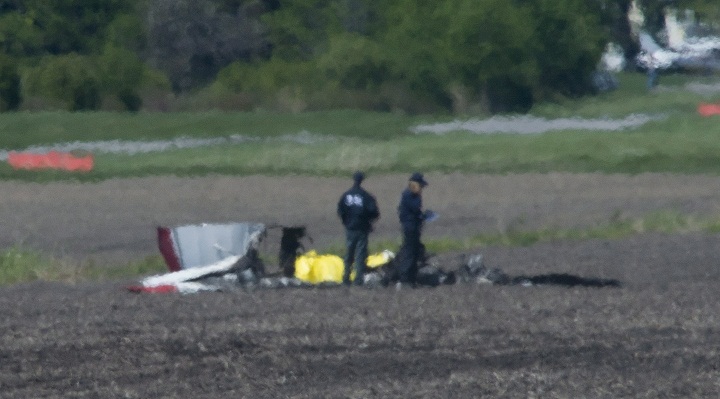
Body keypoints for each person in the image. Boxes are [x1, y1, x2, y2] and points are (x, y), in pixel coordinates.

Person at [337, 171, 380, 286]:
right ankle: (358, 279)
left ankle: (346, 277)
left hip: (350, 228)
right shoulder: (366, 196)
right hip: (362, 229)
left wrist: (346, 222)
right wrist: (368, 222)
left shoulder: (346, 195)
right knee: (360, 253)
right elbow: (374, 213)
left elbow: (340, 211)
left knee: (349, 252)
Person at [396, 172, 430, 288]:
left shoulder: (411, 195)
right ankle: (405, 279)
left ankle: (411, 278)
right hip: (410, 228)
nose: (421, 189)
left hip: (413, 227)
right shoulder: (409, 195)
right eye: (420, 186)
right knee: (409, 252)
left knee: (414, 252)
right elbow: (414, 209)